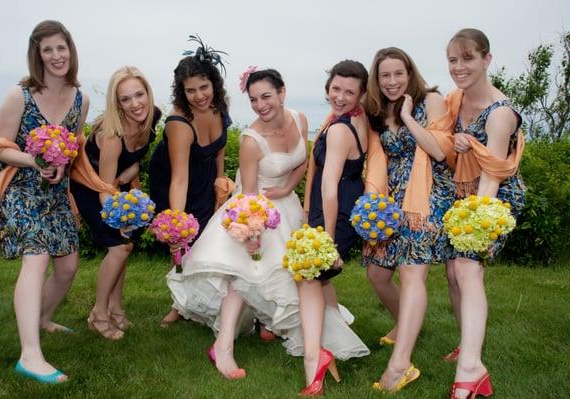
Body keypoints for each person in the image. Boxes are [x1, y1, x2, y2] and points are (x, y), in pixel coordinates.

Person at [168, 68, 369, 382]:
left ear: (282, 92)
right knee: (243, 273)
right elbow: (248, 197)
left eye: (266, 96)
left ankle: (268, 325)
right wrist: (251, 233)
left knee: (287, 275)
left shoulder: (300, 119)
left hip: (284, 204)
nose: (261, 105)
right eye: (253, 100)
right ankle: (222, 348)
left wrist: (289, 189)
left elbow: (304, 161)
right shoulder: (251, 141)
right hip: (253, 209)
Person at [0, 20, 89, 383]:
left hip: (55, 192)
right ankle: (29, 356)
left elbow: (72, 146)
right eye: (48, 50)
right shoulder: (19, 96)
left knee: (68, 267)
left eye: (62, 48)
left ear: (70, 50)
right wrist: (35, 160)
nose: (57, 56)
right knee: (37, 258)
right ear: (37, 55)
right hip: (20, 188)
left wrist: (62, 164)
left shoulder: (81, 98)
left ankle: (42, 318)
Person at [363, 47, 456, 393]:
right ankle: (407, 324)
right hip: (393, 200)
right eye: (384, 75)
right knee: (376, 272)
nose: (391, 81)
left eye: (397, 74)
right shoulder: (377, 111)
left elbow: (437, 150)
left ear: (409, 72)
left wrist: (408, 116)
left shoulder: (430, 100)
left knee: (411, 272)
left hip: (426, 196)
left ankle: (401, 365)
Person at [444, 28, 525, 399]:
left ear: (487, 59)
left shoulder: (501, 113)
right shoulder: (456, 101)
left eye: (467, 58)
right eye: (453, 60)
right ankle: (468, 345)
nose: (459, 67)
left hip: (493, 200)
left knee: (466, 267)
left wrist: (475, 226)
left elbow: (493, 174)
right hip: (462, 195)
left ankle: (471, 369)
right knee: (452, 272)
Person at [70, 66, 160, 340]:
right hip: (89, 188)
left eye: (139, 95)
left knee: (125, 247)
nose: (135, 104)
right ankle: (98, 314)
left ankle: (116, 309)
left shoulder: (151, 117)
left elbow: (136, 161)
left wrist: (128, 174)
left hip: (114, 186)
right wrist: (118, 221)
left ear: (147, 93)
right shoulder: (112, 137)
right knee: (120, 247)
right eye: (125, 99)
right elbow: (105, 188)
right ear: (116, 104)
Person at [148, 37, 232, 328]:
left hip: (205, 175)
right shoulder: (179, 122)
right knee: (185, 245)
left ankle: (201, 300)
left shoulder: (222, 106)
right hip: (174, 180)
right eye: (191, 90)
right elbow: (179, 177)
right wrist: (176, 223)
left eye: (204, 87)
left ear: (214, 84)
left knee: (210, 240)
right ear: (181, 92)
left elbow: (219, 148)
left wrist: (220, 182)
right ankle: (179, 304)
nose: (199, 96)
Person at [299, 60, 370, 396]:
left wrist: (326, 238)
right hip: (338, 205)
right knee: (320, 279)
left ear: (361, 94)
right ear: (328, 86)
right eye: (336, 88)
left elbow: (330, 186)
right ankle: (334, 340)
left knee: (308, 275)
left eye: (349, 91)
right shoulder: (350, 119)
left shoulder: (341, 130)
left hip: (336, 211)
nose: (340, 96)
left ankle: (315, 360)